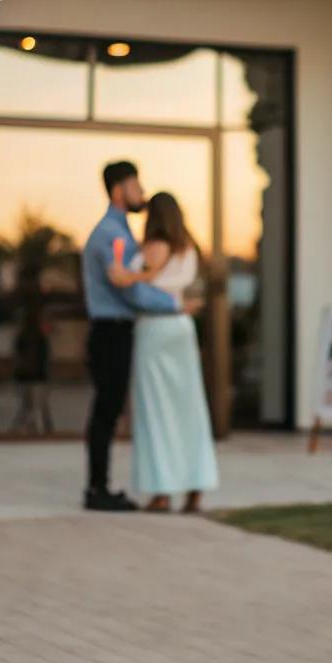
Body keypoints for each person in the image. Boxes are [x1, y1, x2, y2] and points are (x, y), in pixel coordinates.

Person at [109, 191, 218, 514]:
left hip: (154, 330)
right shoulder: (189, 250)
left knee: (154, 411)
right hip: (182, 329)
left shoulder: (149, 250)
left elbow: (134, 285)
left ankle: (161, 492)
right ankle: (196, 486)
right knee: (190, 409)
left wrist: (123, 275)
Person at [81, 161, 178, 511]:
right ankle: (97, 491)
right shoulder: (113, 234)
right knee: (106, 411)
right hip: (111, 331)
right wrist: (174, 302)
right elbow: (129, 290)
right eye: (137, 186)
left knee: (107, 410)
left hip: (112, 331)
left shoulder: (116, 230)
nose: (142, 193)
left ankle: (98, 487)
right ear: (120, 191)